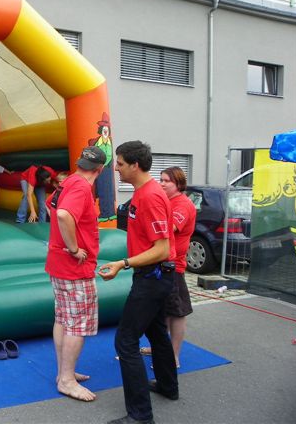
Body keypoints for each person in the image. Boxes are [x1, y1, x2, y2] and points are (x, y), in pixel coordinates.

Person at [98, 141, 178, 424]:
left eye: (119, 163)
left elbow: (162, 249)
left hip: (153, 278)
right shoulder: (142, 192)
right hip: (152, 276)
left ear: (134, 165)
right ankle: (168, 386)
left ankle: (141, 416)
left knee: (126, 341)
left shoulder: (151, 196)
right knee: (156, 333)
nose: (116, 169)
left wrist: (123, 263)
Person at [45, 146, 106, 402]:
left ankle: (64, 372)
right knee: (78, 324)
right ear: (100, 169)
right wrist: (73, 247)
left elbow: (51, 205)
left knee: (63, 318)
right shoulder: (81, 187)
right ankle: (67, 380)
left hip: (58, 263)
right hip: (74, 267)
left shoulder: (68, 181)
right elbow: (62, 214)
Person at [140, 167, 196, 368]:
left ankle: (173, 356)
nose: (162, 183)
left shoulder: (183, 205)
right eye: (161, 179)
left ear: (178, 184)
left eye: (167, 181)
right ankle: (160, 347)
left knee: (176, 312)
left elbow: (167, 229)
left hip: (173, 267)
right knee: (161, 311)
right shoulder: (167, 201)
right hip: (160, 264)